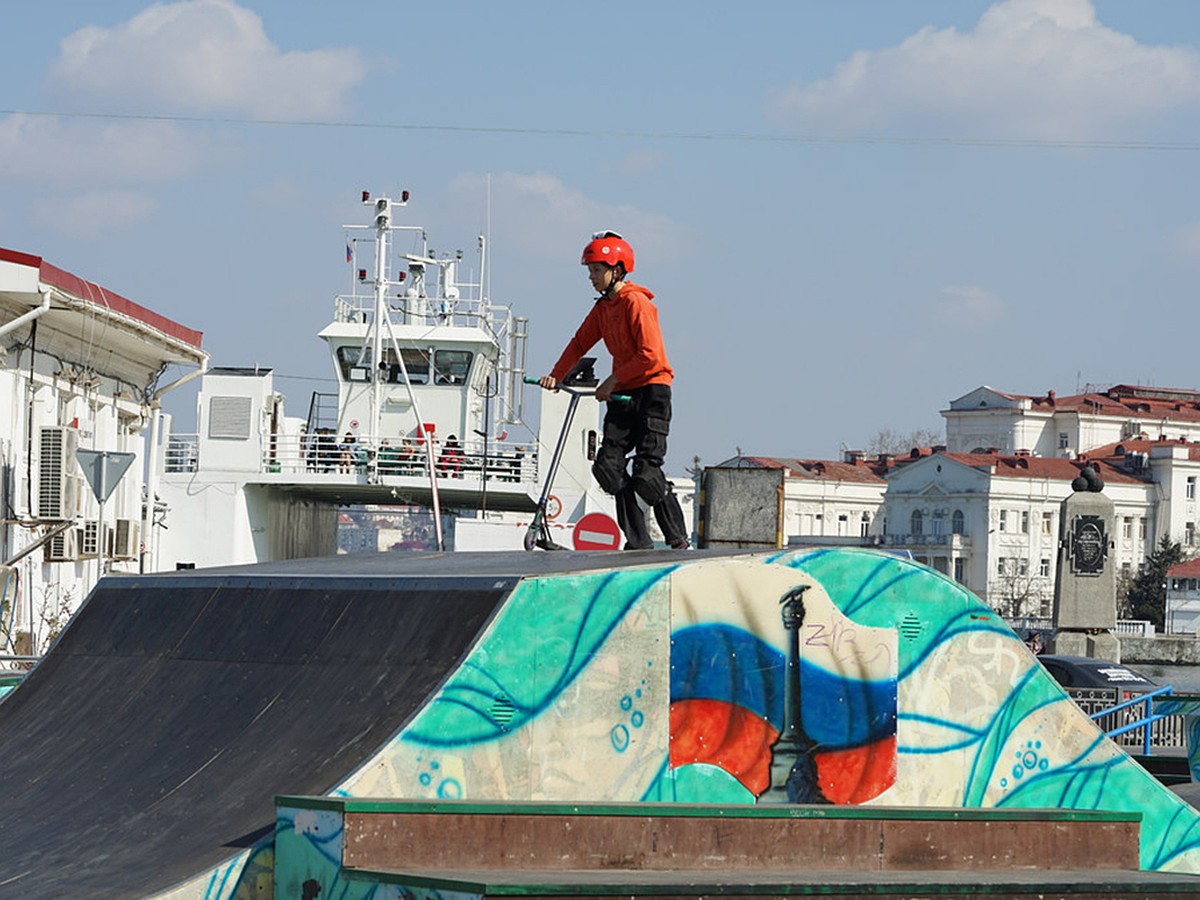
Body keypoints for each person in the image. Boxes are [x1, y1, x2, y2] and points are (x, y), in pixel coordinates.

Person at [538, 230, 689, 550]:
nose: (591, 277)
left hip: (652, 392)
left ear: (617, 269)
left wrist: (612, 381)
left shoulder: (636, 302)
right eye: (589, 271)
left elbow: (651, 357)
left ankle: (677, 539)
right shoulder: (603, 308)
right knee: (608, 469)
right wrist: (555, 375)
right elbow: (579, 343)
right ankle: (638, 543)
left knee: (646, 474)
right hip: (624, 394)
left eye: (596, 270)